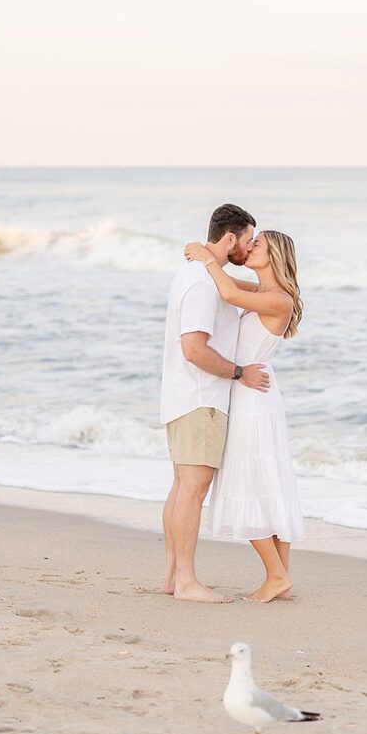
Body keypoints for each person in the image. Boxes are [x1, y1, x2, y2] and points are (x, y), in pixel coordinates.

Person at [184, 230, 304, 602]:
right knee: (266, 482)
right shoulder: (263, 293)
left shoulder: (278, 299)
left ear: (274, 255)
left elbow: (229, 294)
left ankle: (275, 576)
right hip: (255, 393)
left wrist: (206, 258)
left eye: (258, 245)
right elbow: (231, 285)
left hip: (254, 397)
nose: (249, 248)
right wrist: (211, 263)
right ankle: (280, 576)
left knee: (249, 482)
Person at [160, 203, 270, 603]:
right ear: (230, 239)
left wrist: (209, 259)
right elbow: (194, 349)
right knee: (192, 489)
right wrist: (239, 373)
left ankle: (175, 576)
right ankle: (186, 582)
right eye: (247, 240)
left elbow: (253, 293)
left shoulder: (202, 274)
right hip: (201, 398)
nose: (249, 247)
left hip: (183, 396)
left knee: (181, 488)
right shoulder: (205, 283)